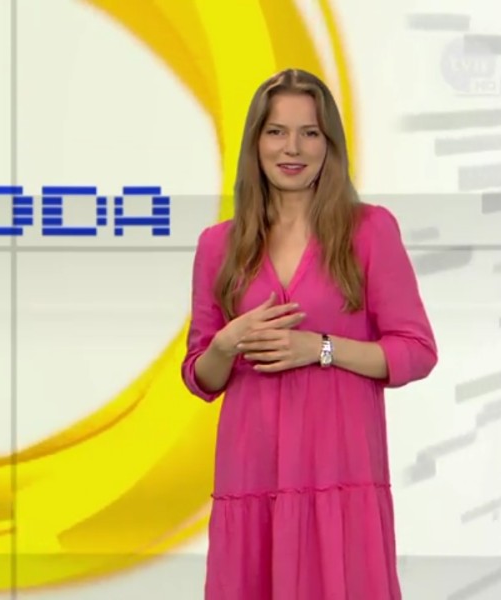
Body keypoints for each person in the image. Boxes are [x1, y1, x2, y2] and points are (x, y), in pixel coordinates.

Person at [181, 68, 438, 600]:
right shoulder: (217, 246)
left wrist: (321, 349)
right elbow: (200, 376)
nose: (292, 148)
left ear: (329, 144)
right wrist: (226, 343)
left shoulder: (370, 230)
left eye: (310, 132)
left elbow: (416, 351)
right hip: (251, 474)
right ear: (256, 143)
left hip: (339, 471)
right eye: (276, 131)